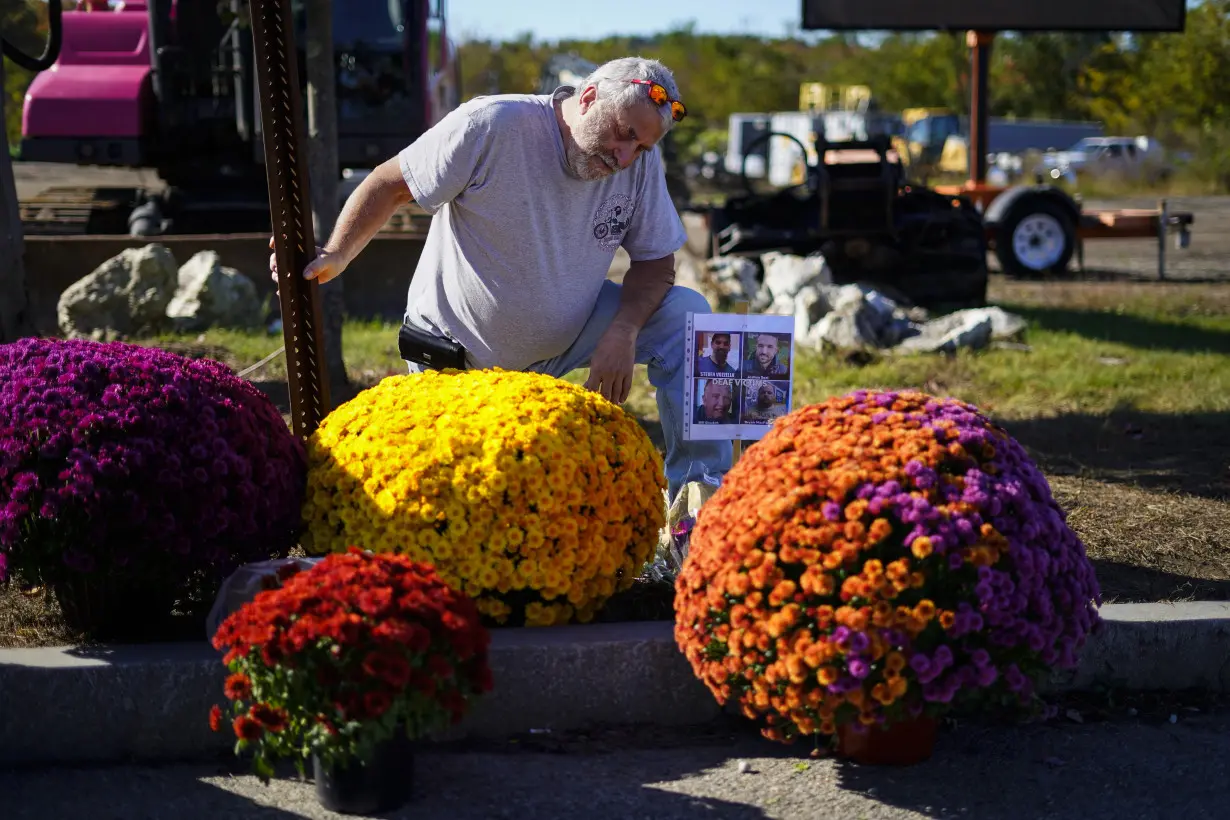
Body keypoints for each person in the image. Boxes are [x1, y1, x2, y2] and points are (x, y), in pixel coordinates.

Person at [269, 57, 731, 502]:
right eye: (624, 135)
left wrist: (624, 330)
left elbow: (656, 263)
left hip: (564, 342)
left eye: (642, 147)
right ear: (588, 97)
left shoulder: (638, 165)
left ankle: (703, 503)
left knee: (690, 320)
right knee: (468, 499)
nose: (626, 156)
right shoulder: (492, 124)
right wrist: (337, 253)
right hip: (456, 356)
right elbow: (391, 182)